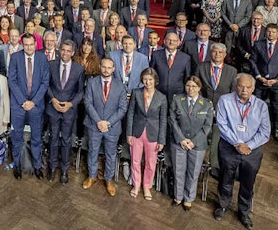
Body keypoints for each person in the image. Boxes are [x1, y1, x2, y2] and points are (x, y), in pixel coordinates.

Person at [214, 74, 271, 230]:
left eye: (248, 87)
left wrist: (249, 145)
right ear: (235, 86)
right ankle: (223, 205)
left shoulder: (261, 106)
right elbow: (222, 124)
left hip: (251, 151)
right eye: (241, 86)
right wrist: (237, 143)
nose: (244, 90)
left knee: (248, 182)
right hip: (228, 146)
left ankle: (244, 212)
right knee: (226, 178)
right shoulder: (225, 101)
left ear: (253, 89)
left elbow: (265, 132)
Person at [82, 56, 128, 195]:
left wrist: (108, 123)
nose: (106, 70)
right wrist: (98, 121)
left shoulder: (120, 85)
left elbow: (122, 108)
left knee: (110, 154)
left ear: (113, 69)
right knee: (93, 151)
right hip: (94, 124)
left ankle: (109, 180)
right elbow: (88, 103)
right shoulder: (92, 82)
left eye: (109, 67)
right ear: (100, 67)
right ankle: (92, 176)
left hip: (112, 127)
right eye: (104, 67)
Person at [168, 76, 214, 210]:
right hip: (179, 142)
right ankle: (178, 196)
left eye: (194, 86)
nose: (191, 89)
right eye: (188, 86)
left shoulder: (207, 104)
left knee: (193, 172)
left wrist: (193, 142)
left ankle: (189, 198)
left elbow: (207, 126)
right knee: (179, 171)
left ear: (199, 88)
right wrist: (182, 139)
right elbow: (172, 120)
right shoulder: (177, 100)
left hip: (197, 145)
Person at [8, 33, 50, 180]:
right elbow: (11, 81)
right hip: (19, 105)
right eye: (26, 44)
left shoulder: (42, 58)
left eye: (31, 44)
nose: (29, 47)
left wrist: (33, 102)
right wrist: (22, 101)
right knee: (17, 136)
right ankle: (17, 165)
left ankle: (37, 166)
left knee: (37, 138)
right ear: (22, 44)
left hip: (36, 105)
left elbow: (45, 82)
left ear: (35, 44)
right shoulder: (15, 58)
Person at [126, 67, 167, 200]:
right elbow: (130, 113)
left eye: (150, 79)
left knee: (151, 162)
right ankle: (136, 184)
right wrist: (129, 133)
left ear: (155, 81)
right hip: (136, 132)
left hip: (153, 134)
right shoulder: (136, 93)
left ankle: (147, 186)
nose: (147, 82)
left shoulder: (162, 97)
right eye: (145, 79)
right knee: (135, 160)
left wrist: (161, 140)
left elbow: (163, 120)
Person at [46, 40, 84, 184]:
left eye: (68, 51)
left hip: (69, 111)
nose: (65, 53)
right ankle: (52, 167)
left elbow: (80, 92)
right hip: (53, 109)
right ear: (59, 50)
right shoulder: (51, 65)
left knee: (67, 141)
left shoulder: (79, 69)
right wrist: (53, 100)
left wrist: (70, 104)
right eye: (63, 50)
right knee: (53, 139)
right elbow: (47, 85)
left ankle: (64, 170)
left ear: (73, 53)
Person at [248, 24, 278, 141]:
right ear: (265, 32)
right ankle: (254, 128)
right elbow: (253, 62)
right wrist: (258, 77)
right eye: (269, 31)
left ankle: (276, 129)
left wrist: (276, 80)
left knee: (276, 107)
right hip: (260, 82)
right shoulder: (258, 44)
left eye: (273, 32)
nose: (271, 34)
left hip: (276, 83)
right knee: (255, 106)